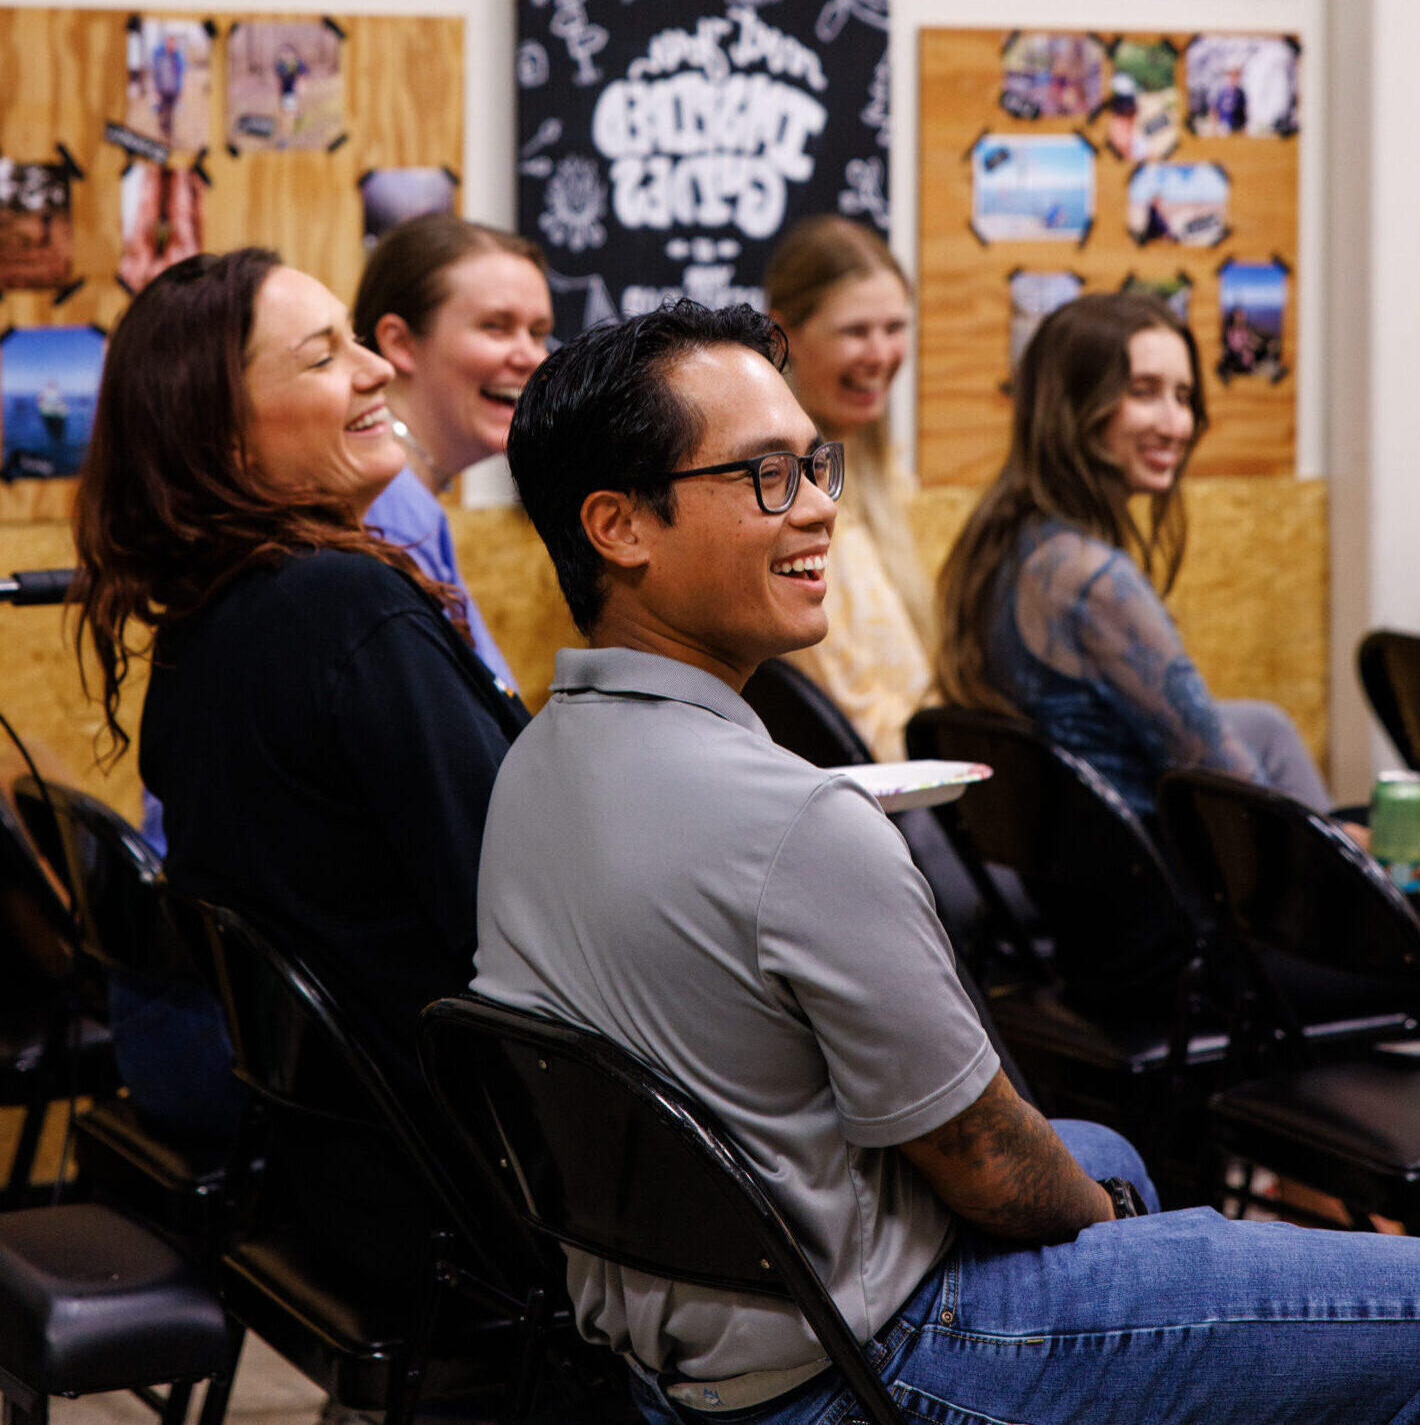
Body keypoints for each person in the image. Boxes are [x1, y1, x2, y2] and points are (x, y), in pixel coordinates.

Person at [474, 298, 1420, 1425]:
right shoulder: (796, 822)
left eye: (813, 463)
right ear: (620, 525)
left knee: (1110, 1146)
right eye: (766, 475)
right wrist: (1126, 1242)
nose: (820, 503)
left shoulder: (530, 765)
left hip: (690, 1354)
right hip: (879, 1362)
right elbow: (988, 1163)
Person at [70, 248, 526, 1131]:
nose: (380, 369)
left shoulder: (206, 621)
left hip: (324, 1157)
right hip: (449, 1175)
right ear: (223, 438)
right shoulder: (343, 609)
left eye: (356, 341)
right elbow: (513, 909)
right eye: (323, 359)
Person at [937, 289, 1330, 825]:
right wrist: (1345, 846)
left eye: (1184, 396)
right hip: (1140, 885)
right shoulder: (1092, 580)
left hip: (1069, 863)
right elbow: (1232, 783)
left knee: (1267, 725)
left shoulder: (1005, 537)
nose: (1176, 425)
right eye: (1144, 393)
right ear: (1075, 405)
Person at [352, 213, 553, 693]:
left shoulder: (414, 502)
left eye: (538, 332)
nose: (530, 356)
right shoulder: (380, 509)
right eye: (496, 327)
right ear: (399, 343)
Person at [765, 217, 934, 763]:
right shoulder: (775, 496)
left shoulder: (876, 466)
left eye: (894, 328)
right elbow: (849, 721)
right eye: (856, 331)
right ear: (781, 336)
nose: (881, 354)